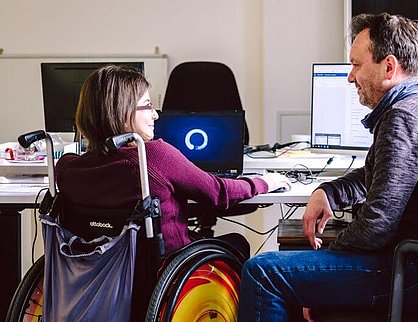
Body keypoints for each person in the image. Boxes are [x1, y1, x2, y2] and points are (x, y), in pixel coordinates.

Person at [237, 12, 418, 321]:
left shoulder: (404, 118)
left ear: (388, 67)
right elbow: (379, 175)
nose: (350, 77)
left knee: (262, 272)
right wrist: (329, 193)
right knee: (288, 269)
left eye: (357, 66)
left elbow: (377, 224)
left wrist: (325, 268)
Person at [55, 64, 290, 256]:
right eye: (147, 106)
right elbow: (218, 192)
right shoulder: (155, 156)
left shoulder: (68, 168)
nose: (155, 114)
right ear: (122, 113)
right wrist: (265, 182)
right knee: (238, 243)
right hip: (163, 266)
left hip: (102, 270)